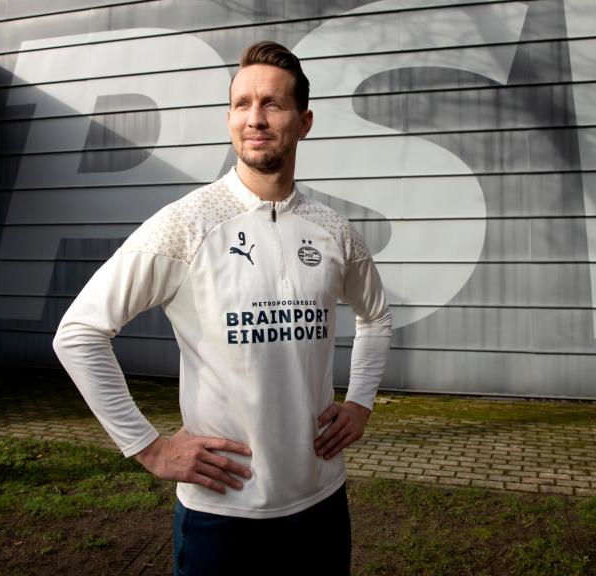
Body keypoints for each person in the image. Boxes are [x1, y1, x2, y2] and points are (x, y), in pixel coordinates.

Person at [52, 40, 392, 575]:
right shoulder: (186, 225)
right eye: (242, 104)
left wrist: (361, 403)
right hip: (222, 511)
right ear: (229, 117)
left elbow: (376, 317)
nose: (255, 119)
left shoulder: (333, 231)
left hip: (321, 502)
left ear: (304, 122)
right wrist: (149, 448)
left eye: (272, 105)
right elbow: (79, 333)